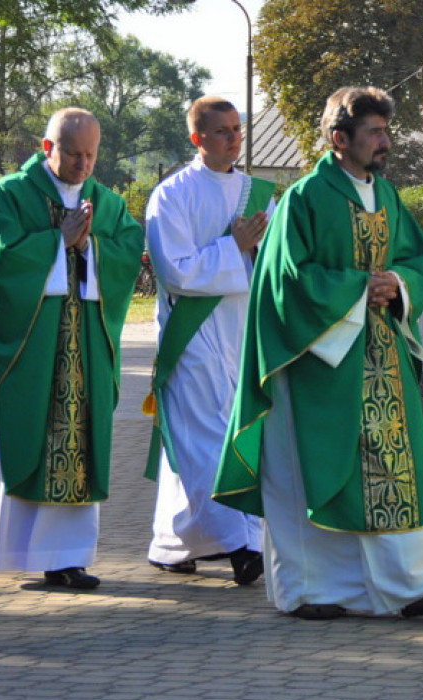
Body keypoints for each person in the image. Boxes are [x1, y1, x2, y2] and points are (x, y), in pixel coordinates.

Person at [214, 86, 423, 619]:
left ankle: (413, 586)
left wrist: (396, 285)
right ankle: (311, 589)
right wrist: (359, 288)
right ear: (339, 138)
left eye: (385, 131)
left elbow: (419, 263)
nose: (386, 142)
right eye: (375, 132)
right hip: (319, 362)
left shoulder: (389, 196)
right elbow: (287, 280)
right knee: (317, 472)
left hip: (382, 355)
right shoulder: (304, 198)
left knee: (400, 468)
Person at [0, 108, 143, 589]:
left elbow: (128, 249)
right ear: (47, 148)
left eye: (91, 155)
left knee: (77, 440)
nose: (83, 165)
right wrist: (56, 242)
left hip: (84, 350)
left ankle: (67, 557)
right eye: (73, 154)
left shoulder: (107, 202)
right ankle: (9, 548)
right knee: (20, 433)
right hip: (26, 350)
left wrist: (92, 247)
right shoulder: (8, 195)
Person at [142, 96, 273, 585]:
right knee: (204, 443)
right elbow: (174, 271)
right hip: (191, 336)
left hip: (241, 331)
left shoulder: (259, 193)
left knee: (228, 438)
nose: (233, 138)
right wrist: (233, 247)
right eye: (221, 131)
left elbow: (275, 263)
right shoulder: (171, 195)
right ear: (197, 138)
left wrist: (256, 248)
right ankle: (243, 544)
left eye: (237, 129)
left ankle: (172, 545)